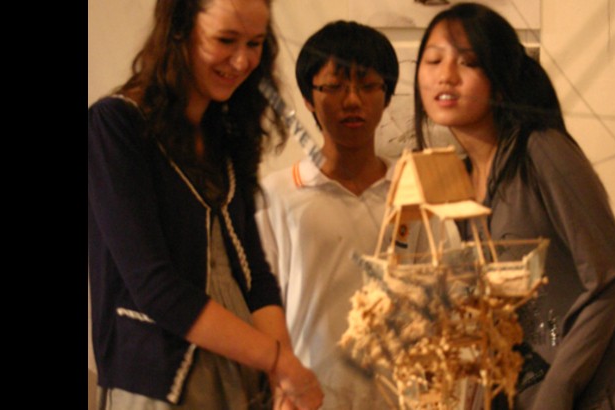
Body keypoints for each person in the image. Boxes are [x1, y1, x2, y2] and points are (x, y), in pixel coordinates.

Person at [87, 0, 324, 408]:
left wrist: (279, 371)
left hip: (241, 369)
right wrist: (277, 359)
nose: (242, 60)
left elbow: (254, 274)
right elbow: (153, 286)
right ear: (179, 30)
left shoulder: (228, 136)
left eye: (255, 43)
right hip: (159, 382)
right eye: (225, 40)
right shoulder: (116, 125)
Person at [413, 3, 615, 409]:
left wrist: (559, 388)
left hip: (591, 392)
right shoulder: (459, 177)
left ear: (500, 80)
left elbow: (612, 275)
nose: (445, 74)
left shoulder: (541, 150)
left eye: (468, 62)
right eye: (433, 60)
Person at [255, 21, 409, 409]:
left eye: (368, 85)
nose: (352, 100)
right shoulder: (276, 194)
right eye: (335, 86)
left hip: (403, 400)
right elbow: (256, 306)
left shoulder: (415, 192)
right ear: (309, 98)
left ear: (387, 96)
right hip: (308, 399)